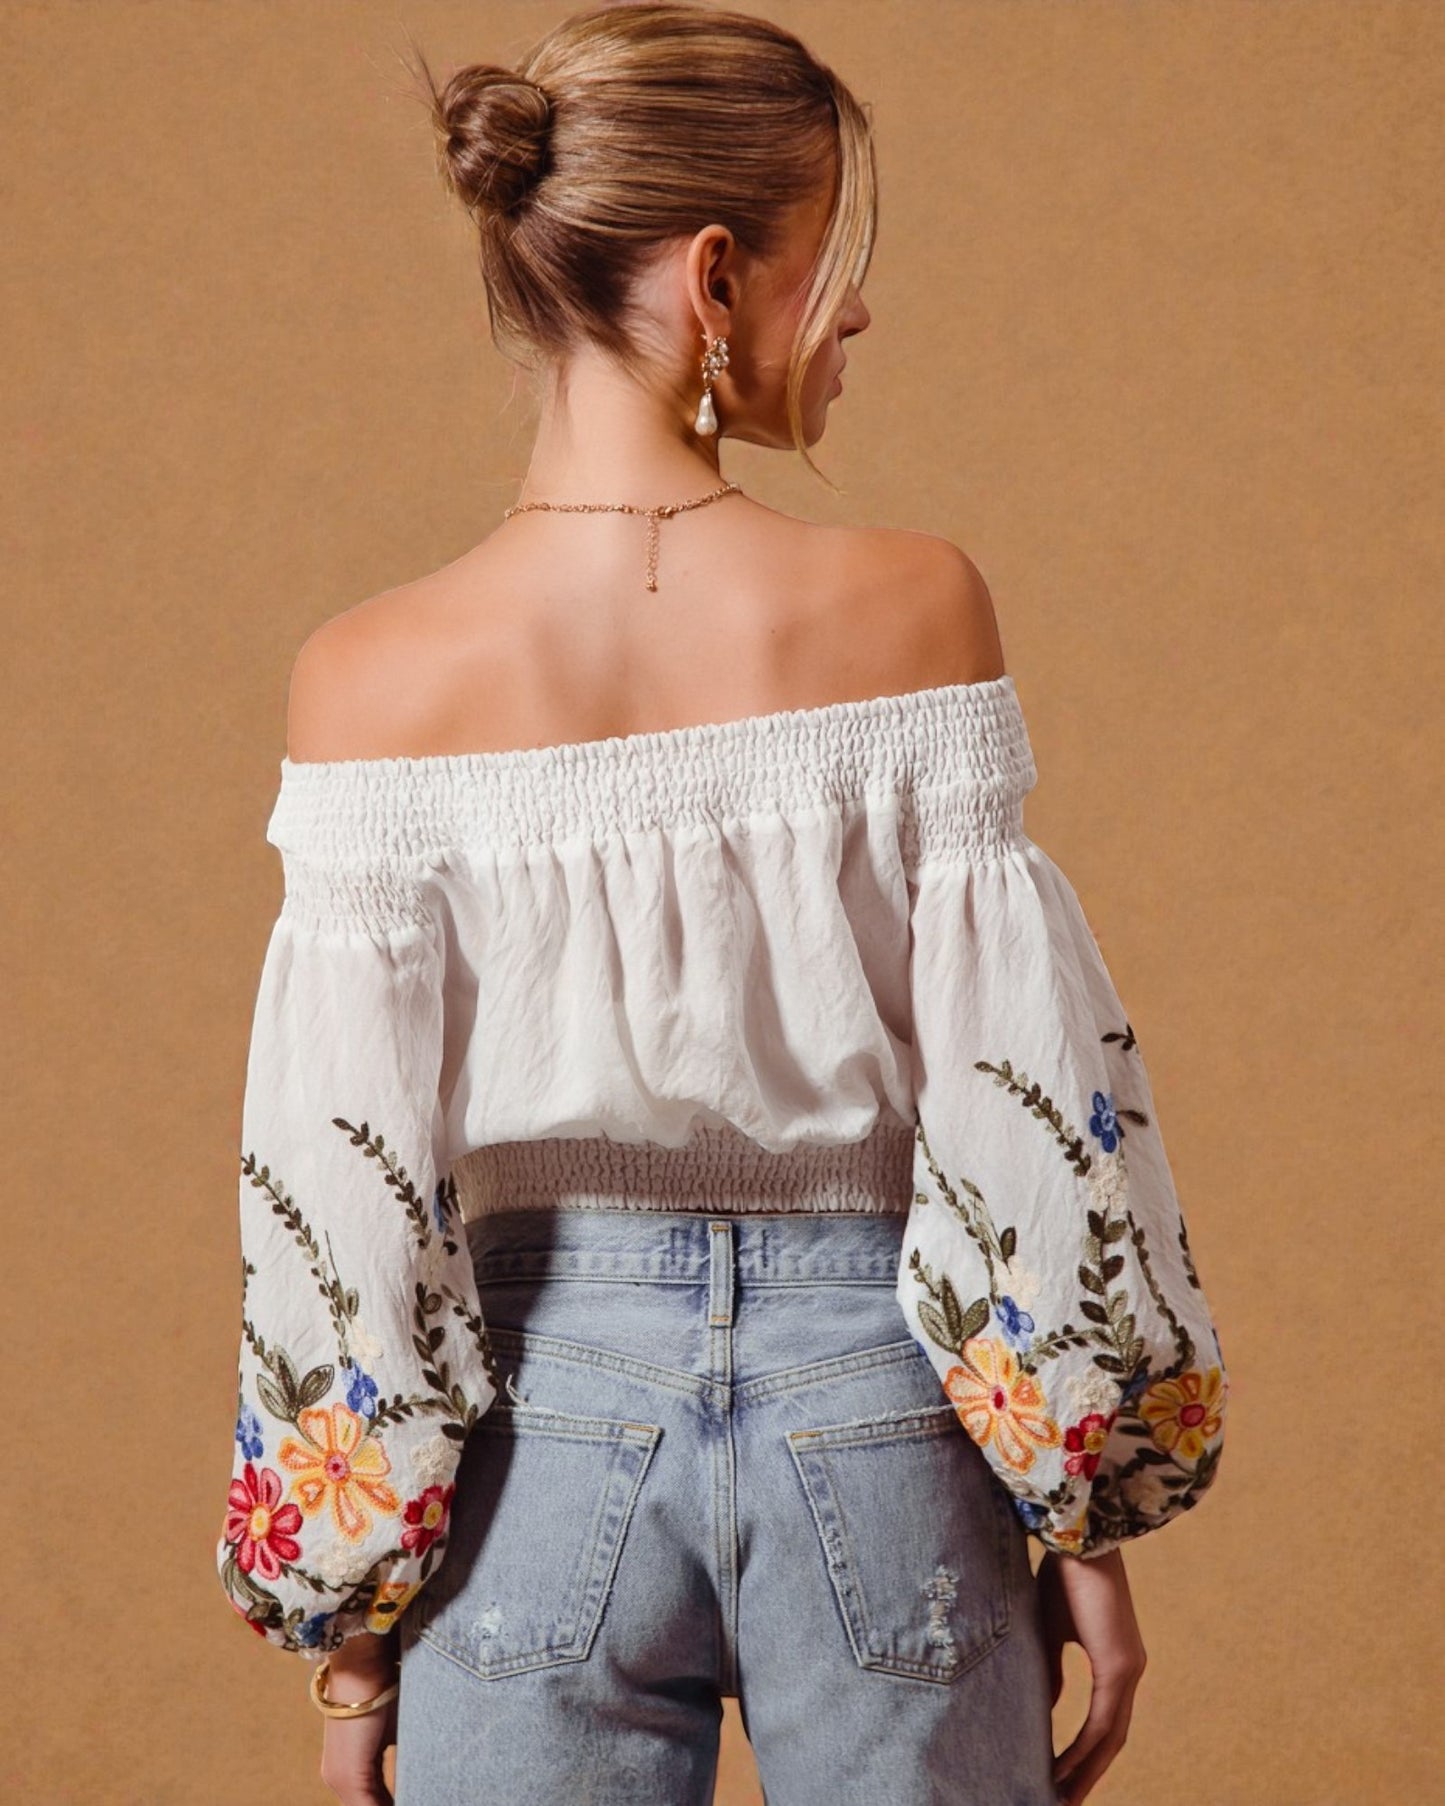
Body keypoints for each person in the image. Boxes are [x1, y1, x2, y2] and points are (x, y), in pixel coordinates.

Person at [214, 6, 1229, 1804]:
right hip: (887, 1398)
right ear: (711, 274)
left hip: (539, 1434)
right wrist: (1080, 1508)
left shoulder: (365, 679)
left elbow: (341, 1209)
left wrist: (352, 1641)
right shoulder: (915, 610)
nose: (853, 314)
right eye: (834, 260)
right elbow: (1016, 1109)